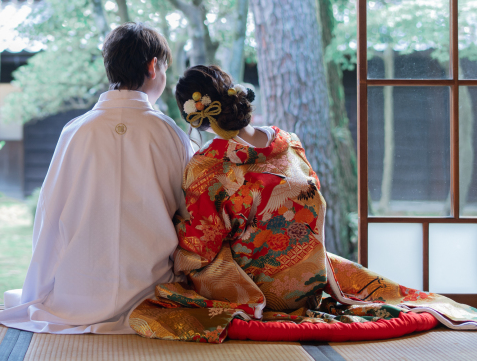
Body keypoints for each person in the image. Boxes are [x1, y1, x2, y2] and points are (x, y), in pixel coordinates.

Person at [129, 65, 477, 343]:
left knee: (159, 302)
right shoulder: (288, 142)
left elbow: (200, 243)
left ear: (195, 117)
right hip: (311, 278)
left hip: (260, 289)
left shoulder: (209, 166)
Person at [0, 22, 192, 334]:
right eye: (163, 68)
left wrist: (40, 285)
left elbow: (49, 215)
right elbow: (190, 210)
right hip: (150, 293)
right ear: (153, 67)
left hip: (77, 291)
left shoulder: (76, 130)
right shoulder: (170, 134)